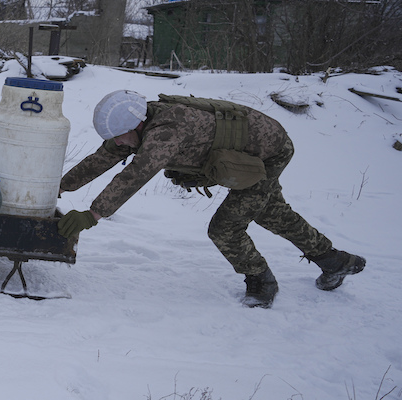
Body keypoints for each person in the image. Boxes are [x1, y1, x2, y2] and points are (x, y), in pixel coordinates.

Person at [57, 89, 365, 308]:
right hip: (257, 147)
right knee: (270, 212)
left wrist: (93, 215)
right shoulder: (139, 122)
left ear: (136, 124)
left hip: (270, 152)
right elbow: (101, 159)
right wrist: (59, 187)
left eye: (121, 136)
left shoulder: (166, 131)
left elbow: (137, 174)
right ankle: (334, 261)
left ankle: (261, 282)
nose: (119, 142)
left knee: (225, 228)